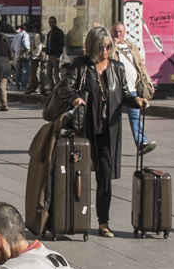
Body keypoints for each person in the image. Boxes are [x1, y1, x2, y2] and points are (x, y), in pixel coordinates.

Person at [52, 26, 130, 237]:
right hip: (84, 131)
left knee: (105, 175)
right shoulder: (81, 66)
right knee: (80, 175)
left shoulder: (117, 68)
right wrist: (74, 97)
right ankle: (76, 218)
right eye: (101, 47)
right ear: (93, 47)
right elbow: (63, 88)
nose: (105, 51)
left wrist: (138, 100)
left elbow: (124, 95)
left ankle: (103, 222)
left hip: (107, 132)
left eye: (108, 47)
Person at [111, 21, 158, 156]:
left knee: (135, 116)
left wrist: (148, 81)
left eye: (120, 31)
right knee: (113, 119)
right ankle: (112, 145)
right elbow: (108, 62)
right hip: (116, 89)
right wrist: (113, 46)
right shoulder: (109, 47)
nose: (118, 34)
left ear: (125, 32)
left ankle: (142, 143)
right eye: (115, 31)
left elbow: (140, 65)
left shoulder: (131, 46)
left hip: (132, 89)